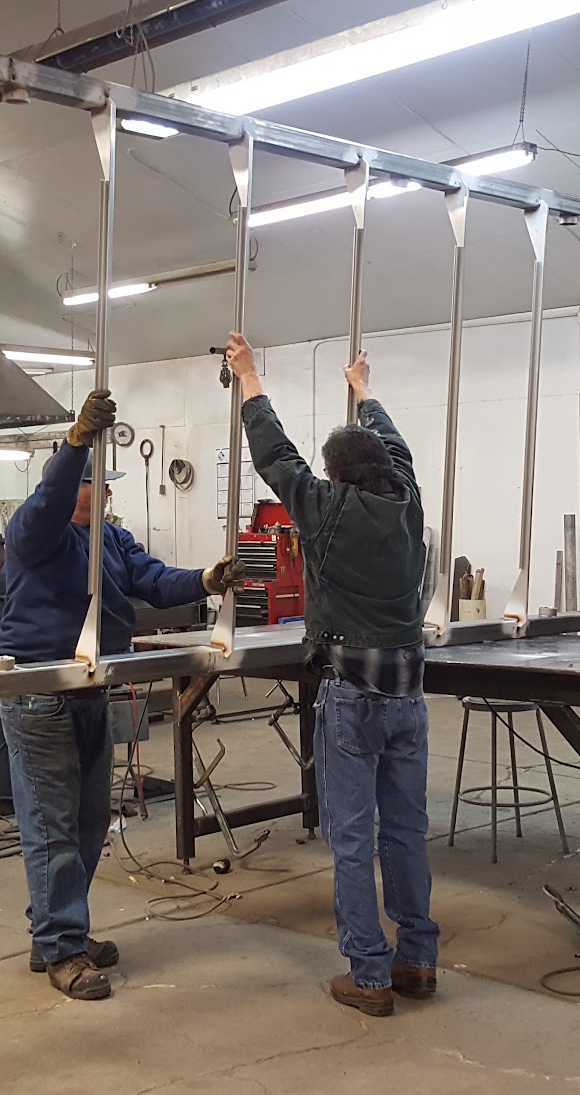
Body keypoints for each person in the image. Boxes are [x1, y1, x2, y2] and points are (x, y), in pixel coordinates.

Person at [0, 389, 245, 1001]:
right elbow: (51, 499)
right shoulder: (34, 532)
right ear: (73, 485)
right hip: (40, 692)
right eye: (95, 484)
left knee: (88, 822)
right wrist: (75, 443)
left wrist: (206, 579)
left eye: (107, 486)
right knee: (52, 827)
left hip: (89, 689)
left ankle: (55, 932)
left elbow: (152, 579)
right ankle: (63, 947)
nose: (104, 494)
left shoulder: (110, 539)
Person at [228, 331, 437, 1019]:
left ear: (337, 476)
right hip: (408, 696)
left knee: (352, 838)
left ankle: (369, 975)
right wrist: (364, 390)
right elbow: (397, 448)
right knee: (404, 831)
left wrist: (250, 376)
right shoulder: (408, 503)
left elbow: (274, 456)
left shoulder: (326, 511)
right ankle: (417, 960)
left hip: (351, 697)